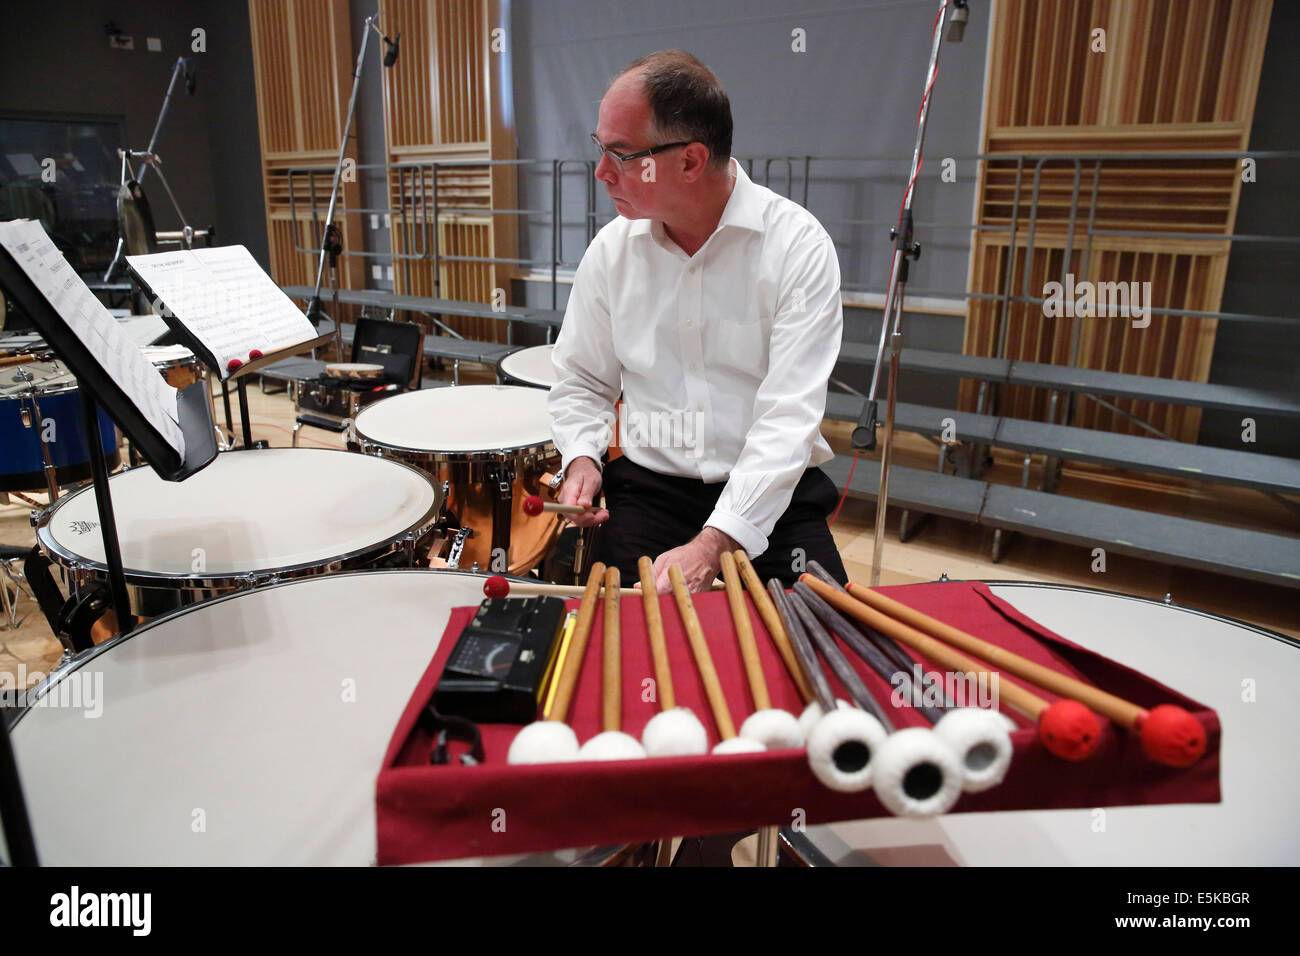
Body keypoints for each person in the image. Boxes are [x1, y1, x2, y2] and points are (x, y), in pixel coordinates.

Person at [548, 50, 848, 594]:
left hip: (773, 496)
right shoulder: (611, 251)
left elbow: (788, 419)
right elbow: (583, 381)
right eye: (601, 148)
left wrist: (716, 542)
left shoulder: (798, 246)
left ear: (689, 160)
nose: (600, 171)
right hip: (649, 492)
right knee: (623, 641)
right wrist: (581, 458)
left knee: (824, 647)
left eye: (620, 153)